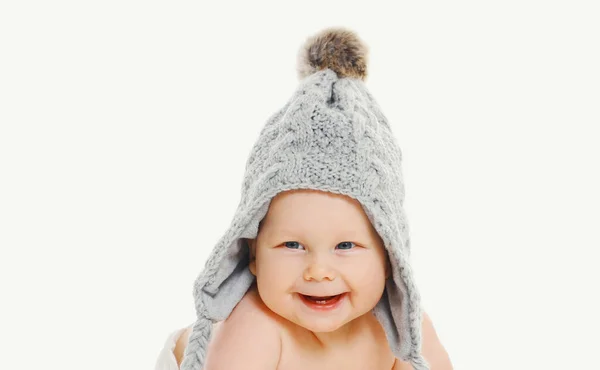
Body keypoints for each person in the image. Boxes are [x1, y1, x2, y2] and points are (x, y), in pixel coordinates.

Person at [155, 27, 453, 370]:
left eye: (345, 246)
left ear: (389, 258)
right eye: (292, 245)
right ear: (253, 254)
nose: (319, 271)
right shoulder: (257, 326)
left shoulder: (405, 332)